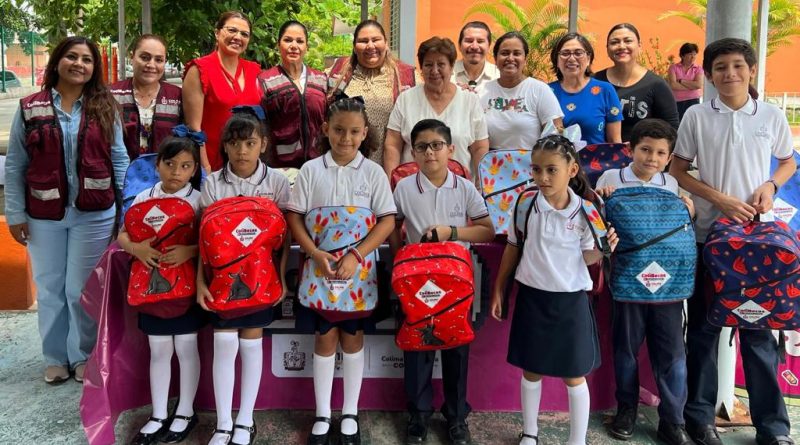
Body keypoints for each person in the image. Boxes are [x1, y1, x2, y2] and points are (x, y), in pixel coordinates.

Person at [669, 38, 797, 445]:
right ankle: (699, 419)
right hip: (710, 239)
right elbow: (678, 170)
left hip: (759, 241)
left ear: (751, 70)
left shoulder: (771, 115)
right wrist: (719, 199)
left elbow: (787, 161)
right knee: (703, 330)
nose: (730, 74)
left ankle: (772, 428)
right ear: (708, 74)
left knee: (759, 333)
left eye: (738, 65)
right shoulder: (696, 116)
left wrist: (770, 186)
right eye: (721, 67)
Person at [4, 36, 129, 384]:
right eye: (72, 57)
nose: (79, 64)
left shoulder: (105, 106)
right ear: (57, 61)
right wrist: (15, 214)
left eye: (87, 60)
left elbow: (119, 159)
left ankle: (82, 355)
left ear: (94, 68)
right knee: (49, 288)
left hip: (95, 215)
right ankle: (55, 357)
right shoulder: (30, 107)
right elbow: (15, 164)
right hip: (43, 215)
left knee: (80, 289)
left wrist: (126, 210)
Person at [489, 135, 618, 445]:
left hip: (571, 302)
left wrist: (603, 251)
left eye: (551, 170)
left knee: (574, 375)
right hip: (532, 298)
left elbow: (587, 257)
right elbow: (513, 246)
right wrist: (498, 289)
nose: (543, 177)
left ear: (572, 170)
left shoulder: (587, 211)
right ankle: (530, 432)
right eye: (536, 169)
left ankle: (577, 440)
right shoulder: (525, 204)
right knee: (531, 371)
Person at [287, 97, 396, 445]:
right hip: (319, 270)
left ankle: (350, 412)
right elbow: (294, 217)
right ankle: (322, 413)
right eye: (338, 130)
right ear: (325, 130)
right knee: (324, 338)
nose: (345, 138)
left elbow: (387, 221)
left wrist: (357, 255)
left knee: (352, 338)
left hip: (357, 275)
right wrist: (314, 253)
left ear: (364, 133)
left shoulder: (373, 173)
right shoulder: (310, 170)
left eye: (353, 132)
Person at [389, 119, 495, 445]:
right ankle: (418, 416)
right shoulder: (404, 188)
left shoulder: (464, 187)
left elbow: (487, 229)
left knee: (456, 349)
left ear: (451, 149)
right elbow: (393, 226)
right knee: (417, 346)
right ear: (413, 152)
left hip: (455, 283)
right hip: (417, 283)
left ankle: (456, 416)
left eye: (437, 145)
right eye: (422, 147)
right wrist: (400, 260)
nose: (430, 153)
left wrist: (452, 232)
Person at [595, 119, 695, 445]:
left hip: (669, 285)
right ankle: (626, 409)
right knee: (626, 350)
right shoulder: (611, 178)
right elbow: (598, 223)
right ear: (630, 149)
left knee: (672, 354)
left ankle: (673, 420)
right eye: (645, 150)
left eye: (660, 153)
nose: (652, 158)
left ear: (669, 157)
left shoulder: (672, 183)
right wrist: (601, 198)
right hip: (628, 281)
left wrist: (690, 211)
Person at [197, 110, 291, 445]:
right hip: (222, 284)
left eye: (250, 143)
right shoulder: (212, 184)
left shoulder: (277, 183)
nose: (242, 151)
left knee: (252, 346)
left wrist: (282, 279)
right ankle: (223, 423)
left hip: (262, 283)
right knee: (224, 345)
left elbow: (285, 240)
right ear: (225, 145)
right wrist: (200, 283)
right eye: (235, 143)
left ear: (263, 144)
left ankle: (245, 420)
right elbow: (203, 240)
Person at [120, 132, 204, 445]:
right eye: (169, 164)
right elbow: (122, 234)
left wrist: (189, 251)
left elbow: (210, 241)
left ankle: (185, 411)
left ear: (194, 169)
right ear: (157, 165)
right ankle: (158, 414)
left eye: (185, 166)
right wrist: (136, 249)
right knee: (158, 350)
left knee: (186, 347)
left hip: (186, 290)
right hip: (151, 289)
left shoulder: (199, 200)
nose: (176, 172)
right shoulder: (144, 198)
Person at [384, 37, 489, 176]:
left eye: (441, 64)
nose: (434, 71)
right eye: (428, 65)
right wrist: (391, 182)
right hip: (412, 185)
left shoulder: (470, 101)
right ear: (421, 68)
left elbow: (480, 148)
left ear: (451, 67)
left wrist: (481, 182)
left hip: (459, 185)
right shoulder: (405, 99)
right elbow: (393, 145)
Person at [327, 19, 417, 164]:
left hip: (388, 167)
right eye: (363, 41)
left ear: (386, 43)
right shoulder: (337, 73)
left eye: (375, 40)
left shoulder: (406, 76)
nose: (370, 46)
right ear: (354, 47)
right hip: (343, 166)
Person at [183, 11, 262, 173]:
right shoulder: (199, 69)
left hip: (247, 164)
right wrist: (205, 169)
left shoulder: (254, 70)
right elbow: (194, 128)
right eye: (232, 30)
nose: (238, 37)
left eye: (244, 34)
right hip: (212, 163)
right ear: (217, 33)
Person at [260, 20, 328, 168]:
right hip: (280, 167)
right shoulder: (266, 81)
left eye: (300, 41)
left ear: (306, 47)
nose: (294, 46)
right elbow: (261, 127)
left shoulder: (321, 79)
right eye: (288, 40)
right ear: (278, 45)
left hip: (318, 164)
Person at [595, 23, 679, 142]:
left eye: (628, 41)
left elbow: (671, 128)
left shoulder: (656, 85)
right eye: (614, 42)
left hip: (641, 153)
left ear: (639, 46)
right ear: (607, 48)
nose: (621, 46)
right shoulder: (595, 82)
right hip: (599, 152)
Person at [480, 31, 563, 149]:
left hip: (532, 160)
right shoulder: (482, 91)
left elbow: (556, 136)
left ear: (525, 59)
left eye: (517, 53)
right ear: (495, 58)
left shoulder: (540, 90)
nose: (510, 58)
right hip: (490, 160)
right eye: (504, 53)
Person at [109, 34, 182, 160]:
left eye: (158, 60)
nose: (151, 64)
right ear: (132, 57)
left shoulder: (177, 96)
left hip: (164, 171)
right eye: (144, 57)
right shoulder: (111, 94)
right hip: (122, 171)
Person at [549, 33, 622, 144]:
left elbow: (615, 141)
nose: (571, 58)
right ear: (557, 61)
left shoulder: (605, 90)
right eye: (565, 53)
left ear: (588, 59)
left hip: (598, 155)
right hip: (555, 155)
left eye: (578, 53)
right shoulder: (547, 92)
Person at [451, 21, 500, 94]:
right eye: (469, 41)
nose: (474, 46)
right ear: (459, 46)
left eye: (480, 41)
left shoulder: (498, 75)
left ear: (489, 46)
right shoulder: (447, 74)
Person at [668, 43, 704, 121]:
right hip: (677, 101)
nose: (693, 57)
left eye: (695, 54)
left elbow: (698, 85)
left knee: (692, 123)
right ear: (682, 56)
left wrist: (681, 81)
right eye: (690, 54)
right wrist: (692, 86)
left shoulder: (698, 68)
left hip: (693, 100)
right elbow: (673, 85)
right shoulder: (673, 68)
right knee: (678, 123)